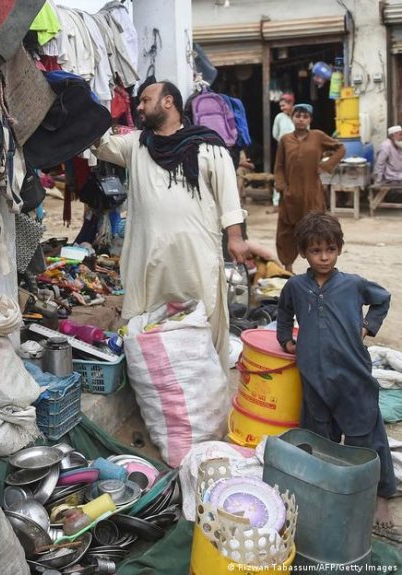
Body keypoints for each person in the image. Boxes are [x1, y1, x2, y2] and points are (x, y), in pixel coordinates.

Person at [93, 80, 248, 372]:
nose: (139, 107)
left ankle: (204, 376)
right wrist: (87, 107)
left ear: (168, 102)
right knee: (152, 321)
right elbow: (99, 144)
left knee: (202, 314)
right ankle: (160, 377)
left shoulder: (207, 144)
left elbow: (228, 191)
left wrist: (235, 236)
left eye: (145, 100)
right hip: (150, 259)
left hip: (194, 256)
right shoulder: (136, 144)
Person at [276, 212, 395, 531]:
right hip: (314, 378)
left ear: (339, 249)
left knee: (366, 437)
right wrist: (286, 340)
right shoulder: (296, 287)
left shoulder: (353, 284)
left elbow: (382, 300)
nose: (324, 256)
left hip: (352, 377)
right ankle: (327, 492)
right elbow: (283, 312)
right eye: (316, 251)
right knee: (320, 438)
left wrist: (367, 328)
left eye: (330, 249)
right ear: (303, 252)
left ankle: (380, 494)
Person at [273, 103, 344, 272]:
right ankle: (288, 268)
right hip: (291, 195)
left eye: (305, 116)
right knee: (286, 231)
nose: (301, 120)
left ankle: (318, 267)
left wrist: (326, 165)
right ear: (292, 118)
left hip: (313, 193)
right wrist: (282, 186)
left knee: (316, 229)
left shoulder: (318, 136)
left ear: (310, 119)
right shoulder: (285, 140)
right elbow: (279, 166)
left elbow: (340, 148)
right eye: (298, 116)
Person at [270, 93, 296, 209]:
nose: (282, 108)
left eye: (284, 105)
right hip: (283, 149)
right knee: (280, 173)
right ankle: (276, 203)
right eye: (280, 106)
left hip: (297, 149)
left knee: (295, 173)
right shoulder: (279, 117)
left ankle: (293, 201)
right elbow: (275, 134)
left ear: (291, 104)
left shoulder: (298, 116)